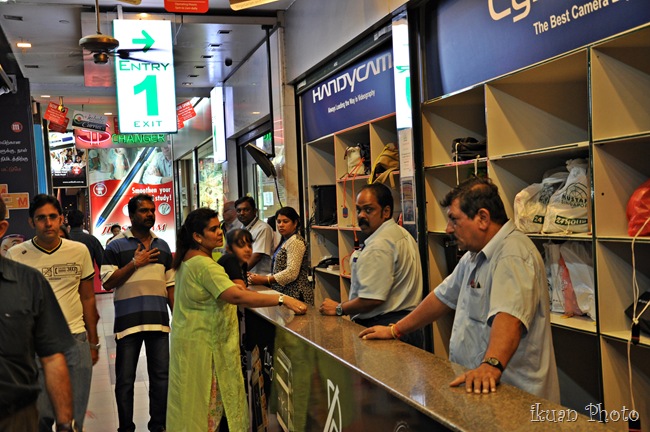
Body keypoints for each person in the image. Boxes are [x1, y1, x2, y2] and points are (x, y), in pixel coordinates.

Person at [359, 177, 561, 401]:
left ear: (482, 218)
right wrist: (395, 330)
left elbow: (509, 318)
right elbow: (441, 298)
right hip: (481, 385)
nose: (448, 229)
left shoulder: (512, 255)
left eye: (454, 220)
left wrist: (491, 365)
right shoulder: (474, 255)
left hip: (515, 395)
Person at [166, 208, 307, 432]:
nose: (219, 233)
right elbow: (236, 296)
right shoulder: (204, 265)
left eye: (219, 227)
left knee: (193, 408)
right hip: (206, 351)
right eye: (212, 229)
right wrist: (282, 299)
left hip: (192, 345)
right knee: (206, 412)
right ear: (197, 237)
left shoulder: (189, 260)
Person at [5, 194, 100, 431]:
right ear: (31, 222)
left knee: (72, 421)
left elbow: (88, 298)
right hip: (35, 346)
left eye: (52, 217)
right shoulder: (16, 254)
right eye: (41, 218)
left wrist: (92, 342)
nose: (48, 223)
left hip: (75, 340)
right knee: (40, 419)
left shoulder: (79, 251)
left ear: (61, 219)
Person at [101, 194, 175, 432]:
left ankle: (158, 426)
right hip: (128, 323)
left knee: (161, 378)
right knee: (125, 381)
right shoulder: (115, 245)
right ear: (131, 215)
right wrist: (135, 263)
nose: (150, 214)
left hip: (158, 321)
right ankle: (126, 428)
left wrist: (177, 317)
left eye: (152, 210)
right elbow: (107, 282)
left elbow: (170, 286)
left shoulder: (163, 246)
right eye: (144, 210)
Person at [319, 183, 424, 348]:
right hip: (405, 326)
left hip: (383, 328)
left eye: (369, 210)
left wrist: (339, 308)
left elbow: (371, 299)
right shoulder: (401, 233)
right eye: (358, 210)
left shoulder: (379, 244)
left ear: (386, 211)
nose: (361, 215)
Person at [249, 206, 313, 305]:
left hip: (296, 294)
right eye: (278, 222)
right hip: (285, 293)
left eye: (285, 221)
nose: (281, 225)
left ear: (295, 223)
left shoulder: (295, 241)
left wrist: (266, 279)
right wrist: (259, 277)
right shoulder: (286, 240)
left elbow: (291, 273)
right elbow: (279, 269)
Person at [234, 196, 275, 275]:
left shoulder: (263, 228)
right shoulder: (242, 229)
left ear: (254, 211)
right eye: (238, 211)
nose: (242, 213)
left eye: (246, 210)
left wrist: (238, 273)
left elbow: (257, 256)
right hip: (248, 276)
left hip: (262, 277)